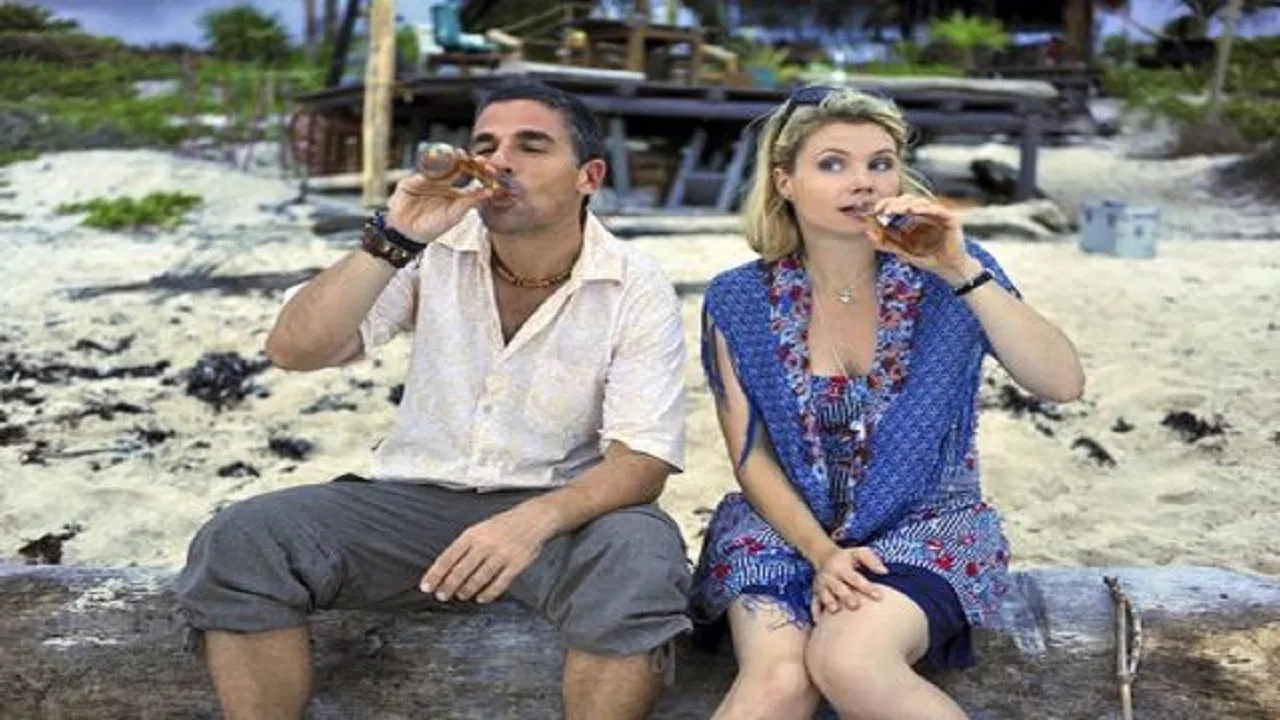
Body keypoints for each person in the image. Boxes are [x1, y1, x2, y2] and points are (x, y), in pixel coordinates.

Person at [173, 79, 692, 720]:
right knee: (243, 538)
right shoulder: (432, 249)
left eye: (531, 147)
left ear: (589, 176)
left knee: (641, 557)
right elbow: (294, 349)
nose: (499, 162)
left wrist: (529, 522)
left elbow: (643, 462)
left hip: (563, 518)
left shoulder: (635, 284)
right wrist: (394, 236)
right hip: (409, 506)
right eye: (486, 145)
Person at [688, 85, 1086, 720]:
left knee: (847, 658)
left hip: (927, 524)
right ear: (785, 181)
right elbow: (750, 454)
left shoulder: (953, 273)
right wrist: (822, 553)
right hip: (784, 526)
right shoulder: (737, 298)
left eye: (880, 163)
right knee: (780, 680)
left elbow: (1062, 383)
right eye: (833, 164)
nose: (864, 182)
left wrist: (959, 269)